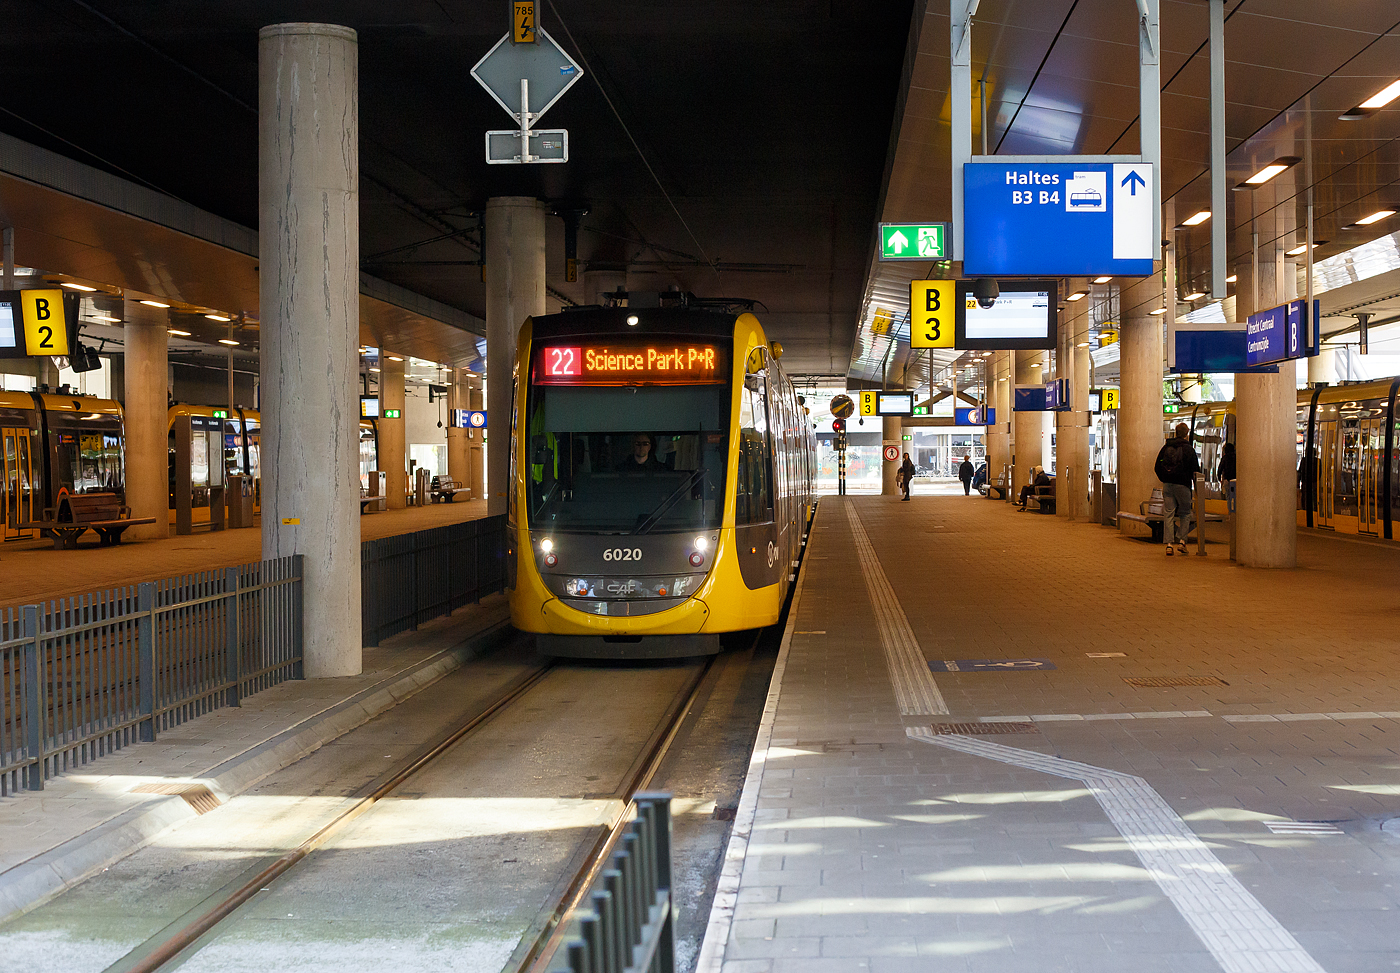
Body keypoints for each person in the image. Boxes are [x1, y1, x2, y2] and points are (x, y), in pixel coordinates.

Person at [1155, 421, 1201, 556]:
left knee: (1169, 513)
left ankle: (1169, 545)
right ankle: (1182, 542)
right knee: (1185, 513)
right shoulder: (1189, 449)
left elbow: (1157, 466)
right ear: (1186, 434)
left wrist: (1165, 478)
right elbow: (1195, 470)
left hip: (1168, 485)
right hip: (1183, 485)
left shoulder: (1166, 447)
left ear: (1175, 433)